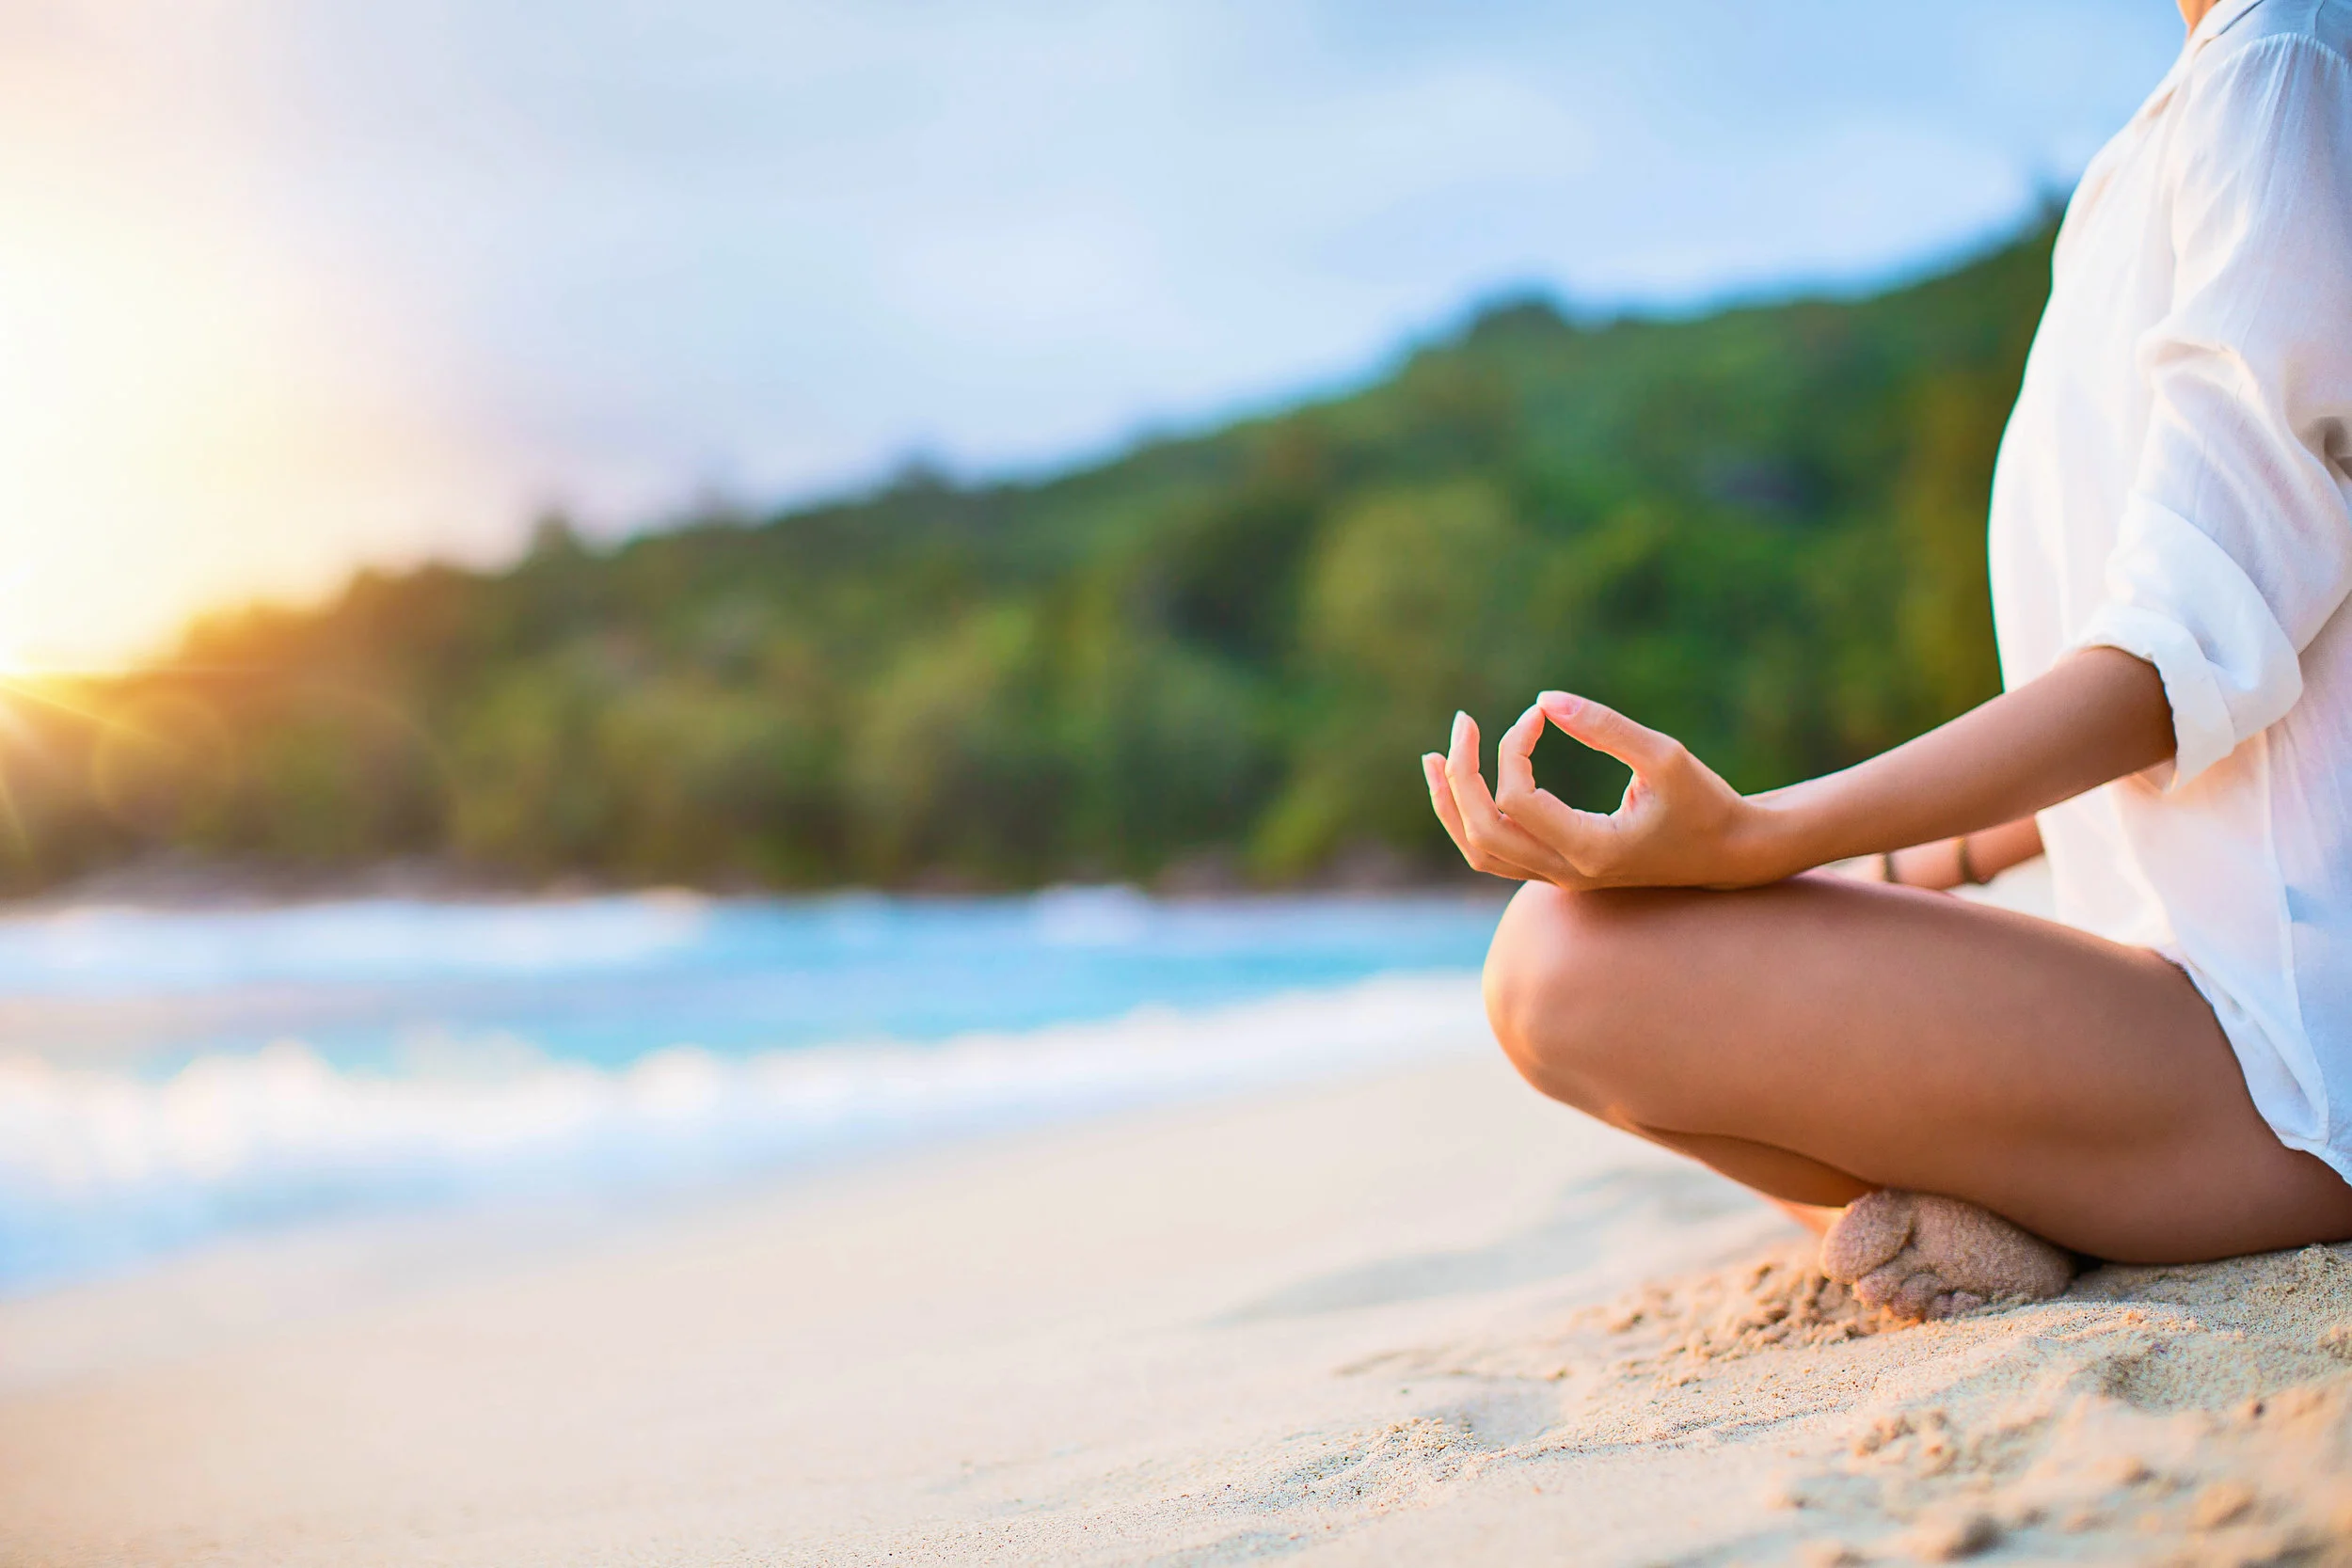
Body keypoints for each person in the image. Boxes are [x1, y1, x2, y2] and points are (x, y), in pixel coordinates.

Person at [1422, 0, 2352, 1322]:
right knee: (1598, 941)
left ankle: (1982, 1220)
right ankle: (1947, 1221)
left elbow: (2179, 657)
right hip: (2207, 1002)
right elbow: (2251, 672)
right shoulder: (2181, 125)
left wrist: (1763, 837)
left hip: (2292, 1066)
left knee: (1564, 966)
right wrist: (1896, 866)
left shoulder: (2292, 69)